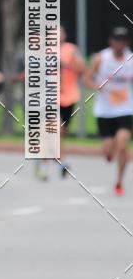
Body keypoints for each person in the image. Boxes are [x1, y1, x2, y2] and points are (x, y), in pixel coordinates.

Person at [85, 26, 133, 195]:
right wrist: (96, 87)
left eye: (122, 41)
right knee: (108, 149)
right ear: (111, 41)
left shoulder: (130, 59)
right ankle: (109, 153)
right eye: (116, 40)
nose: (119, 44)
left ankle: (119, 181)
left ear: (126, 43)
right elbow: (87, 78)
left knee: (122, 145)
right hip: (104, 111)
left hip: (125, 109)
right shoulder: (101, 58)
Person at [58, 25, 85, 177]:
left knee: (63, 131)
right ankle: (59, 161)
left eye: (60, 33)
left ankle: (57, 157)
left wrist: (68, 63)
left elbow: (81, 69)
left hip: (69, 96)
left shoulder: (71, 49)